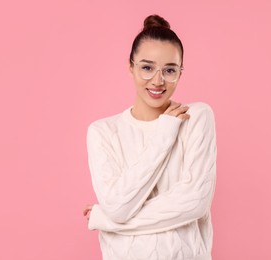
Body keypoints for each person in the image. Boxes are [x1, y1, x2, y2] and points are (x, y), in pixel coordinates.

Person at [83, 14, 217, 260]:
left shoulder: (196, 117)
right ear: (130, 66)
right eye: (147, 67)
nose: (158, 81)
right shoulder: (102, 132)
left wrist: (106, 220)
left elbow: (194, 202)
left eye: (169, 70)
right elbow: (118, 207)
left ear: (180, 72)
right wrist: (164, 133)